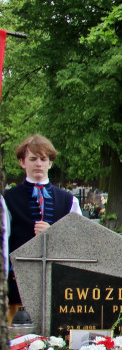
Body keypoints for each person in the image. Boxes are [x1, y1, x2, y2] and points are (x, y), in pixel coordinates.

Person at [4, 135, 82, 318]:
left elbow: (79, 244)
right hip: (17, 289)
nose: (38, 163)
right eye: (32, 159)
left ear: (50, 163)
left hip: (58, 287)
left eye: (43, 159)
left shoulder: (69, 201)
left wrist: (53, 233)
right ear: (22, 162)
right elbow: (3, 244)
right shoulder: (7, 200)